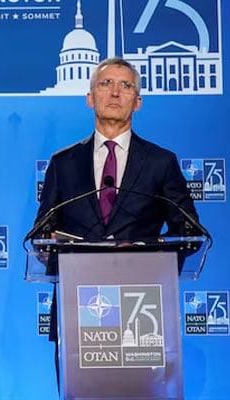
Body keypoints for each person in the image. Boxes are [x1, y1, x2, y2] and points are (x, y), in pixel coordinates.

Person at [32, 57, 200, 391]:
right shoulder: (63, 163)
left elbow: (189, 233)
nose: (115, 92)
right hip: (78, 310)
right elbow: (41, 234)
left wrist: (145, 260)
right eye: (105, 83)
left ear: (137, 102)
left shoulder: (160, 162)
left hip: (142, 311)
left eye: (125, 85)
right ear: (90, 97)